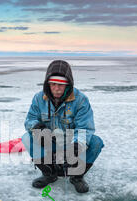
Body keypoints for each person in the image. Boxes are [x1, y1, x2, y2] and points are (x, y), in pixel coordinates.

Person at [22, 60, 104, 193]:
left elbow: (85, 128)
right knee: (27, 137)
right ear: (48, 84)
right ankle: (49, 174)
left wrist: (76, 147)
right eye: (53, 84)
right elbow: (30, 120)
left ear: (68, 85)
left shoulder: (81, 100)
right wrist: (37, 128)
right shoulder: (38, 98)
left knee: (96, 142)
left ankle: (77, 176)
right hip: (50, 142)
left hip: (71, 142)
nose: (56, 88)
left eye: (61, 85)